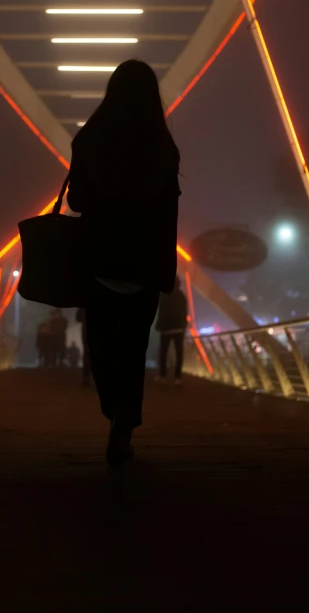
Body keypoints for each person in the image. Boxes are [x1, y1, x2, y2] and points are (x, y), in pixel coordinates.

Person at [67, 59, 180, 466]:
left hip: (99, 260)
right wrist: (166, 268)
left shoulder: (91, 139)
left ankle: (113, 408)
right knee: (133, 348)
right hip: (145, 263)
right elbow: (170, 214)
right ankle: (124, 425)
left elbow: (76, 201)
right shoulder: (163, 147)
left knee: (101, 345)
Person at [155, 276, 188, 384]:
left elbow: (162, 312)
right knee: (179, 353)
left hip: (166, 328)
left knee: (163, 353)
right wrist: (184, 326)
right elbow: (184, 312)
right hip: (179, 328)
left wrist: (159, 325)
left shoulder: (164, 295)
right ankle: (177, 378)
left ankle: (163, 376)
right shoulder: (182, 296)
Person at [76, 307, 91, 386]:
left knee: (87, 353)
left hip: (86, 331)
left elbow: (78, 318)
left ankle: (86, 376)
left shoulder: (83, 306)